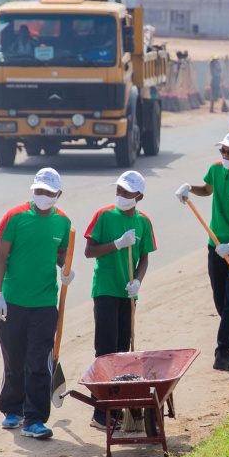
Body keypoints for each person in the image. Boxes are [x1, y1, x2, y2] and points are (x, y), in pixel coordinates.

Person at [0, 167, 74, 440]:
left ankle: (35, 418)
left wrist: (65, 269)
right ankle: (12, 410)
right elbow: (1, 256)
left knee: (38, 361)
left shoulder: (62, 223)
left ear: (58, 194)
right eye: (38, 191)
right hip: (13, 300)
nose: (42, 195)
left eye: (48, 192)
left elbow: (62, 252)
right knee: (14, 358)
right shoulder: (14, 217)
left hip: (45, 302)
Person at [177, 132, 229, 372]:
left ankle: (222, 353)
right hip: (215, 244)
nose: (225, 156)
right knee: (219, 299)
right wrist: (189, 189)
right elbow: (206, 189)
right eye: (222, 151)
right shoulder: (216, 169)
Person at [82, 170, 157, 432]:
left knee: (124, 351)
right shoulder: (104, 216)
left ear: (139, 196)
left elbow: (144, 257)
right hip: (105, 289)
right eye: (119, 190)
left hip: (127, 293)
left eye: (127, 192)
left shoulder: (144, 222)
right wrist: (116, 243)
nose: (121, 195)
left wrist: (137, 281)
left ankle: (120, 406)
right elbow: (89, 251)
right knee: (105, 350)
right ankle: (101, 413)